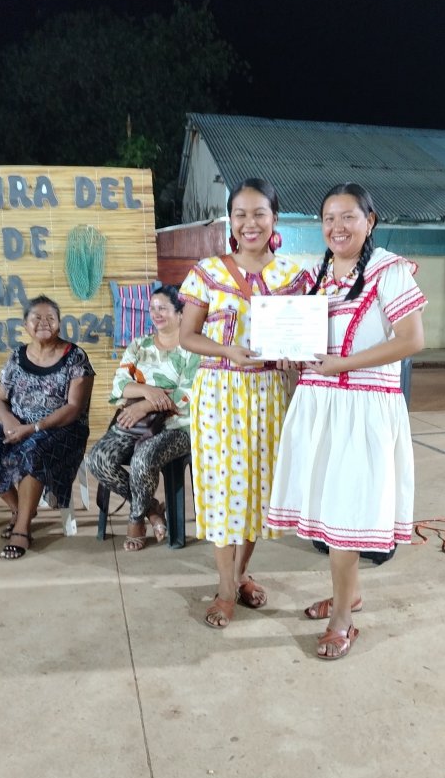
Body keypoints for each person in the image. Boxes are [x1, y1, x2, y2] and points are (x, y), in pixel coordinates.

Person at [267, 183, 427, 660]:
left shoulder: (389, 271)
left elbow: (412, 339)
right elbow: (300, 342)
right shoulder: (314, 277)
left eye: (348, 217)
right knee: (328, 513)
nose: (337, 227)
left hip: (363, 410)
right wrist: (289, 358)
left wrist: (344, 363)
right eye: (329, 219)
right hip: (319, 406)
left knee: (345, 513)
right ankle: (347, 595)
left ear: (370, 221)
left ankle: (343, 618)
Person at [180, 178, 312, 628]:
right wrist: (227, 351)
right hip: (219, 396)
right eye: (240, 214)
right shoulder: (207, 272)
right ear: (229, 220)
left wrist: (297, 357)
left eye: (259, 213)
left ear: (275, 218)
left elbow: (306, 340)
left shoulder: (295, 277)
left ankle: (239, 575)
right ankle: (223, 590)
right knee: (221, 492)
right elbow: (188, 336)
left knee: (257, 491)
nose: (249, 222)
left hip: (269, 394)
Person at [0, 295, 95, 559]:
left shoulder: (75, 356)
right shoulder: (17, 356)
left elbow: (72, 408)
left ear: (59, 323)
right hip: (17, 424)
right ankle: (21, 508)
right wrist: (10, 422)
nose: (44, 323)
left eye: (50, 318)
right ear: (25, 324)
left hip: (62, 429)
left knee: (32, 450)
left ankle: (22, 528)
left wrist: (32, 428)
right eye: (37, 318)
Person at [86, 285, 200, 551]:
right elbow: (119, 386)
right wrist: (149, 393)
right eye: (152, 309)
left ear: (181, 313)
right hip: (134, 422)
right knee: (97, 460)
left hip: (176, 426)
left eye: (163, 308)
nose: (156, 314)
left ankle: (136, 519)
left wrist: (145, 406)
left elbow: (188, 392)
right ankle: (152, 510)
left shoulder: (192, 348)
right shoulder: (140, 346)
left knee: (143, 460)